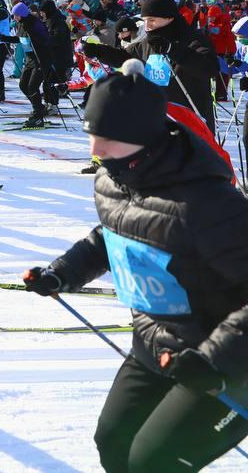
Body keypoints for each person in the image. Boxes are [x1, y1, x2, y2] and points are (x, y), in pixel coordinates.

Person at [23, 59, 248, 471]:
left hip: (229, 365)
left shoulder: (209, 205)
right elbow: (114, 234)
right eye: (92, 135)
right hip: (155, 344)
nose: (95, 150)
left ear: (144, 135)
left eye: (107, 138)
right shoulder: (112, 179)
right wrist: (63, 271)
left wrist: (214, 360)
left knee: (154, 462)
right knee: (113, 441)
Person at [83, 0, 219, 133]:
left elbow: (209, 68)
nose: (147, 26)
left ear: (169, 18)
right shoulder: (150, 42)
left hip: (191, 119)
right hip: (158, 118)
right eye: (145, 20)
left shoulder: (193, 39)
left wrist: (173, 50)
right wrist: (99, 51)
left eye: (152, 20)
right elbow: (124, 57)